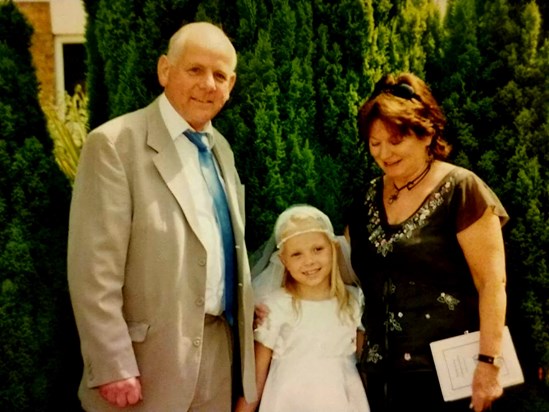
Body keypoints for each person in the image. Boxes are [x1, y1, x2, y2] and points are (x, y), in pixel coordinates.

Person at [67, 22, 257, 411]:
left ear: (231, 85)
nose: (208, 84)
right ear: (164, 70)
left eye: (220, 75)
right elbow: (94, 269)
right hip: (144, 367)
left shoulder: (221, 149)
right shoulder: (115, 144)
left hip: (219, 360)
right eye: (195, 70)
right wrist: (111, 364)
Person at [346, 72, 509, 412]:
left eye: (395, 140)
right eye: (375, 144)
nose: (384, 153)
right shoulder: (365, 199)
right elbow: (344, 271)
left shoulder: (463, 190)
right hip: (380, 374)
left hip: (449, 377)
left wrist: (489, 362)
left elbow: (492, 282)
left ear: (426, 132)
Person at [235, 204, 370, 412]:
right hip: (288, 401)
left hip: (343, 400)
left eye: (318, 249)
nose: (309, 261)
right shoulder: (275, 306)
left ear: (334, 248)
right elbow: (256, 381)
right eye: (297, 254)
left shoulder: (352, 301)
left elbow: (367, 365)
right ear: (283, 260)